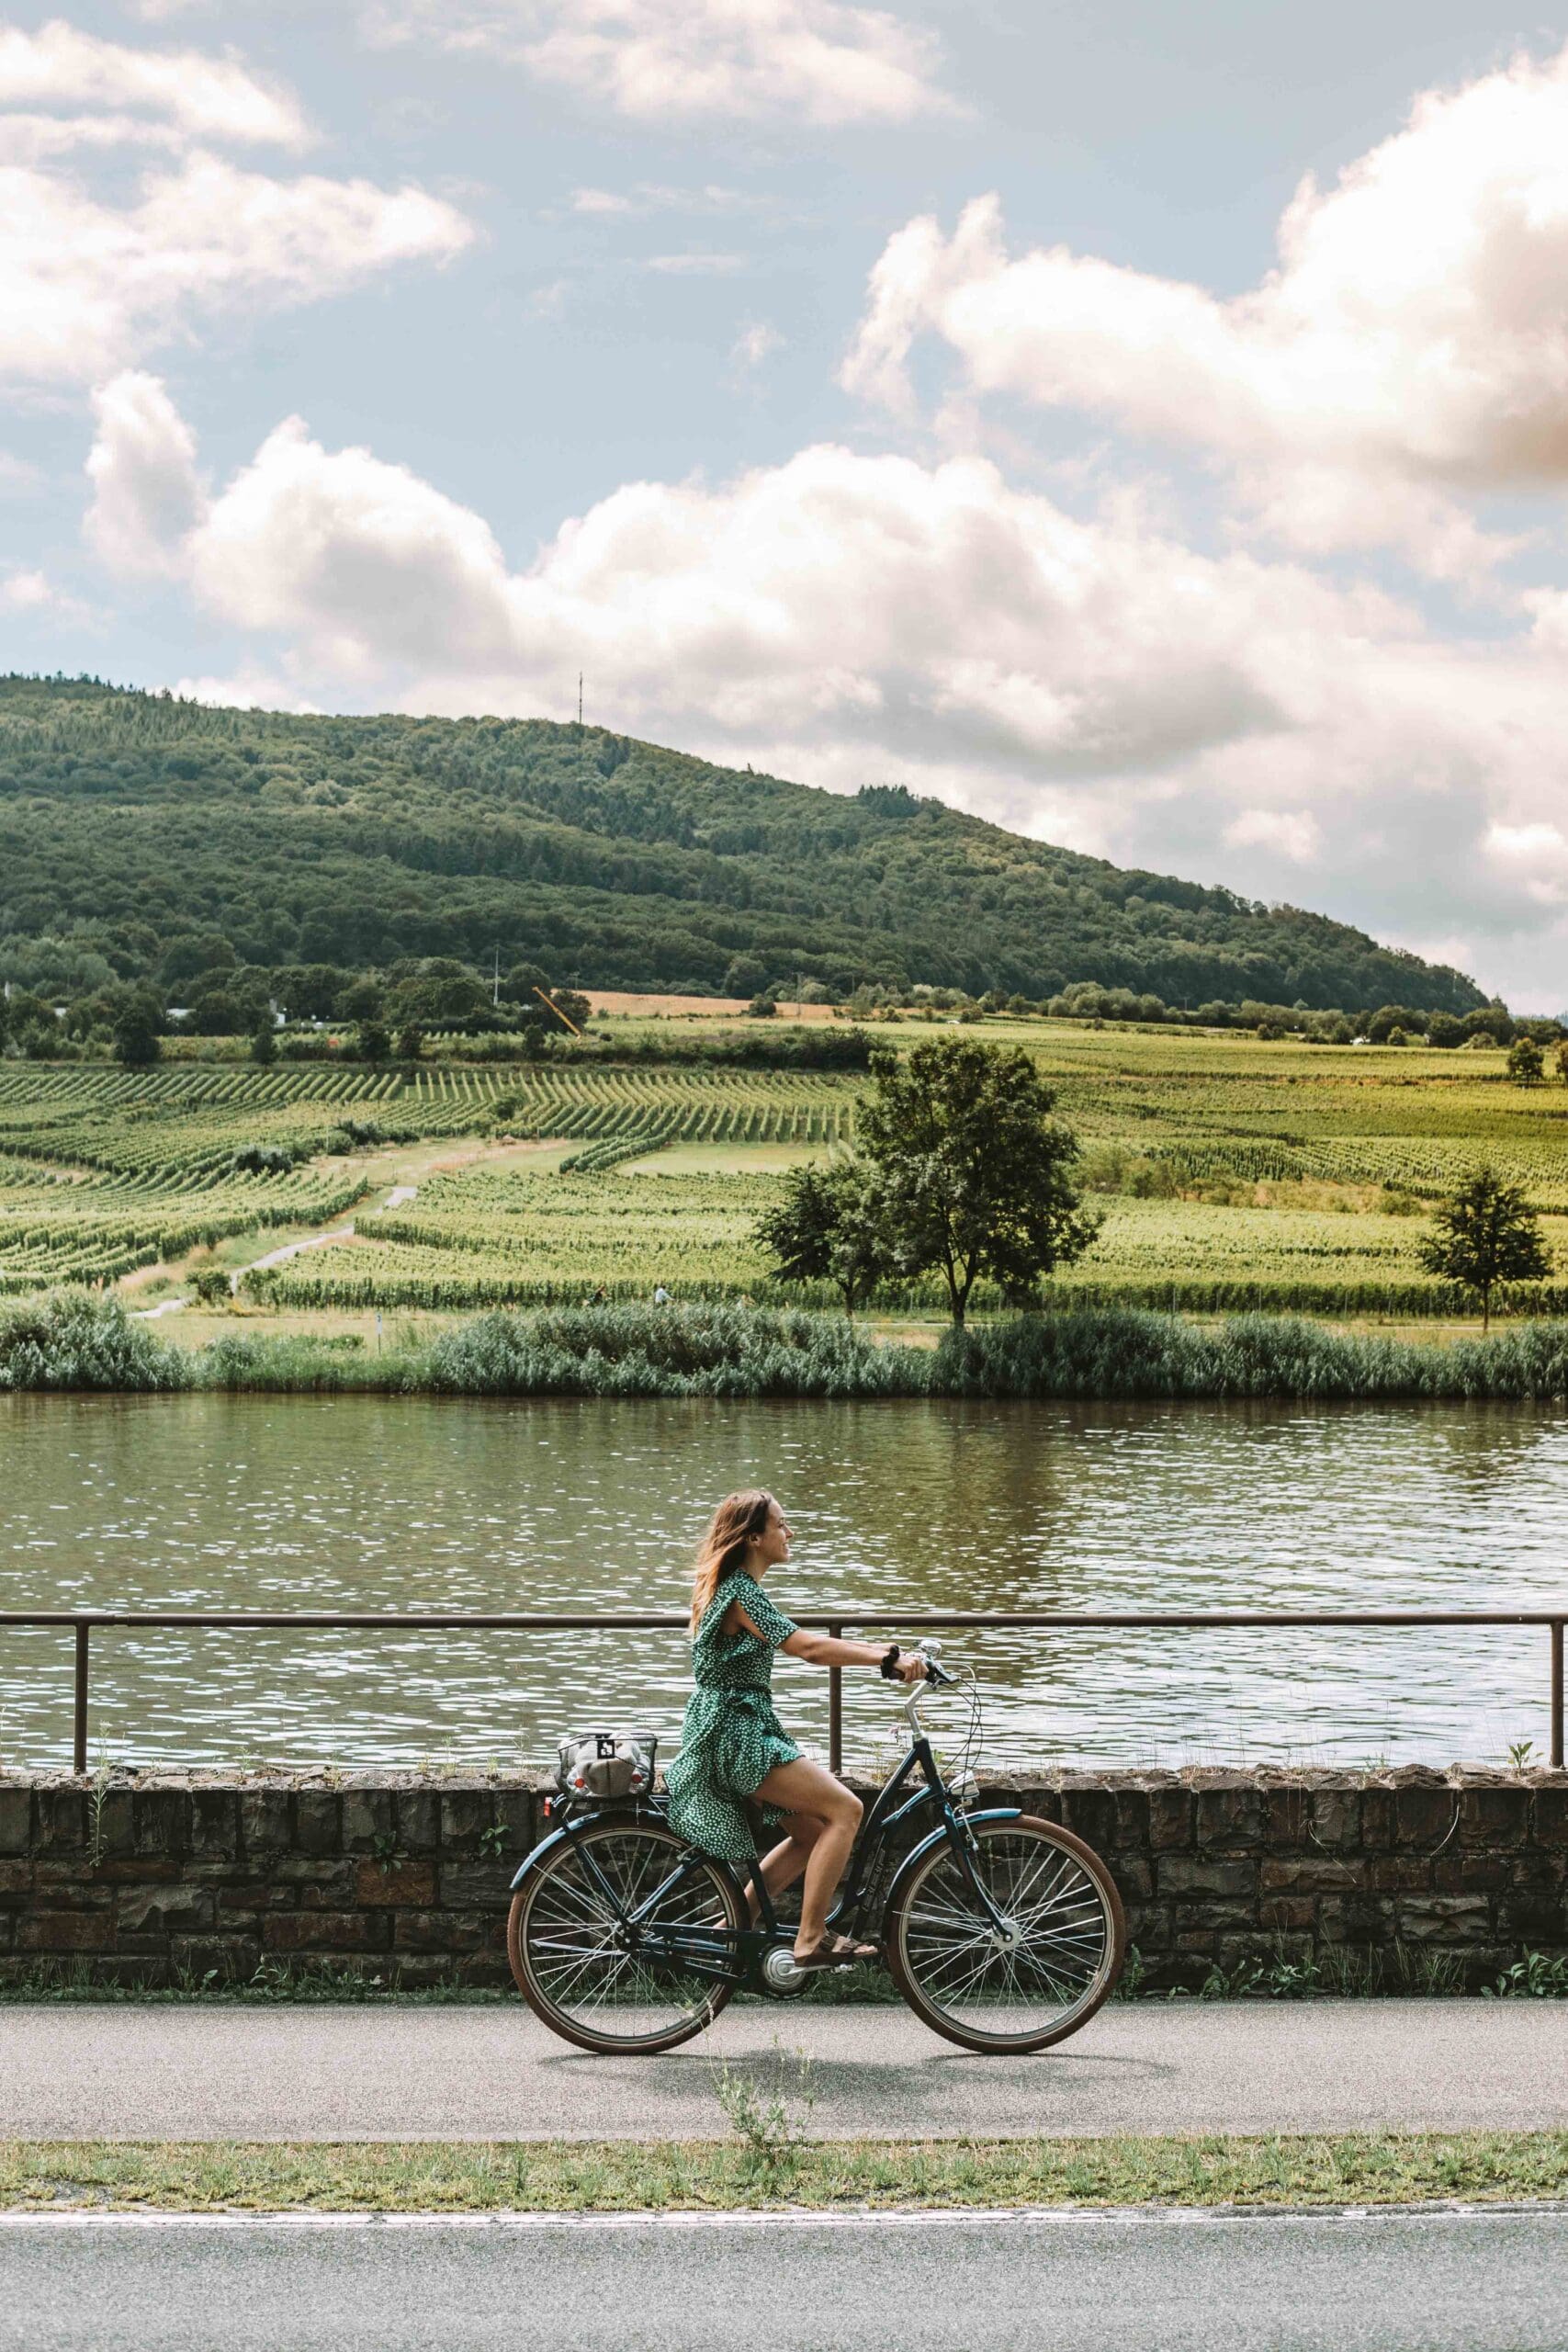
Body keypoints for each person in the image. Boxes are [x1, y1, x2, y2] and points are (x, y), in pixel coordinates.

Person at [663, 1488, 926, 1971]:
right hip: (739, 1735)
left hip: (739, 1728)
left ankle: (729, 1931)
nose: (790, 1533)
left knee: (808, 1832)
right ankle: (811, 1938)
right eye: (781, 1525)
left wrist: (880, 1657)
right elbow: (807, 1648)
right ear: (754, 1537)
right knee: (846, 1810)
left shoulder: (733, 1589)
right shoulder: (739, 1592)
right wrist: (885, 1657)